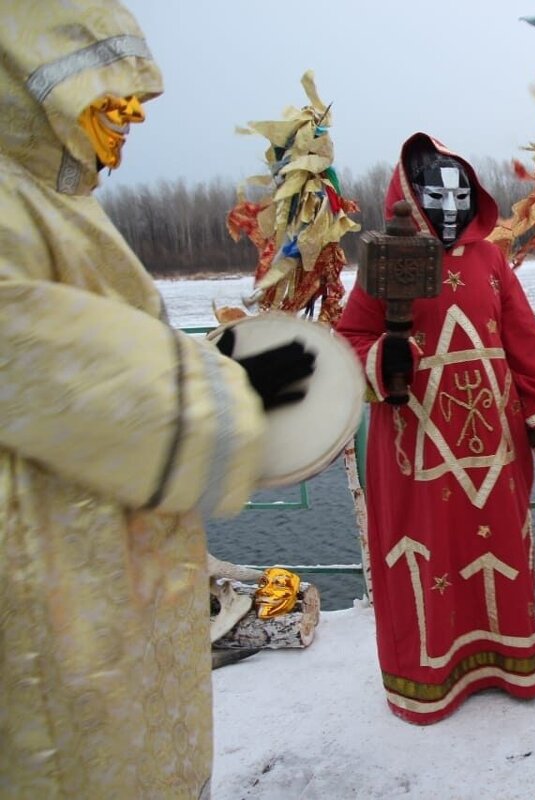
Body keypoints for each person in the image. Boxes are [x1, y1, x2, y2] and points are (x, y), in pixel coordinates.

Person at [0, 2, 315, 797]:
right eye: (110, 89)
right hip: (50, 591)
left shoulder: (54, 203)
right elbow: (47, 361)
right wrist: (228, 396)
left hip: (102, 562)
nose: (135, 111)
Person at [336, 132, 535, 724]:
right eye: (436, 198)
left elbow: (523, 338)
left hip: (494, 447)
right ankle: (427, 679)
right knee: (425, 554)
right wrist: (382, 360)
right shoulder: (386, 263)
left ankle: (507, 666)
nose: (450, 210)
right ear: (411, 196)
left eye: (460, 197)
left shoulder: (492, 258)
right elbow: (350, 338)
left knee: (499, 549)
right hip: (414, 448)